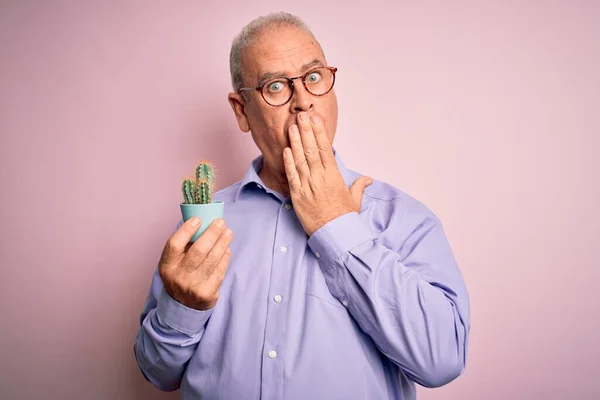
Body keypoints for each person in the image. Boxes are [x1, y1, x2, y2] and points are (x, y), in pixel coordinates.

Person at [134, 11, 470, 400]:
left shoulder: (404, 219)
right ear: (242, 111)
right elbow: (157, 371)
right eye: (276, 86)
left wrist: (337, 226)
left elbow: (442, 360)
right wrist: (182, 307)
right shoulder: (205, 223)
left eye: (313, 78)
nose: (303, 103)